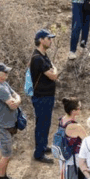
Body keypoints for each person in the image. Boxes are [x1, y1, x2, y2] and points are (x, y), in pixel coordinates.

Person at [30, 28, 60, 164]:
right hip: (41, 97)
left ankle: (43, 146)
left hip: (46, 96)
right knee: (42, 124)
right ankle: (38, 153)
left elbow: (52, 69)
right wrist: (55, 70)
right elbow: (53, 75)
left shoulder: (43, 55)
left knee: (45, 123)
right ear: (41, 40)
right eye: (48, 38)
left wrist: (54, 70)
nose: (51, 41)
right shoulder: (37, 58)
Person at [59, 97, 88, 179]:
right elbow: (87, 141)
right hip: (76, 161)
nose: (80, 109)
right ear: (73, 111)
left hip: (66, 159)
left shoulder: (62, 120)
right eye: (79, 108)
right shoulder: (76, 127)